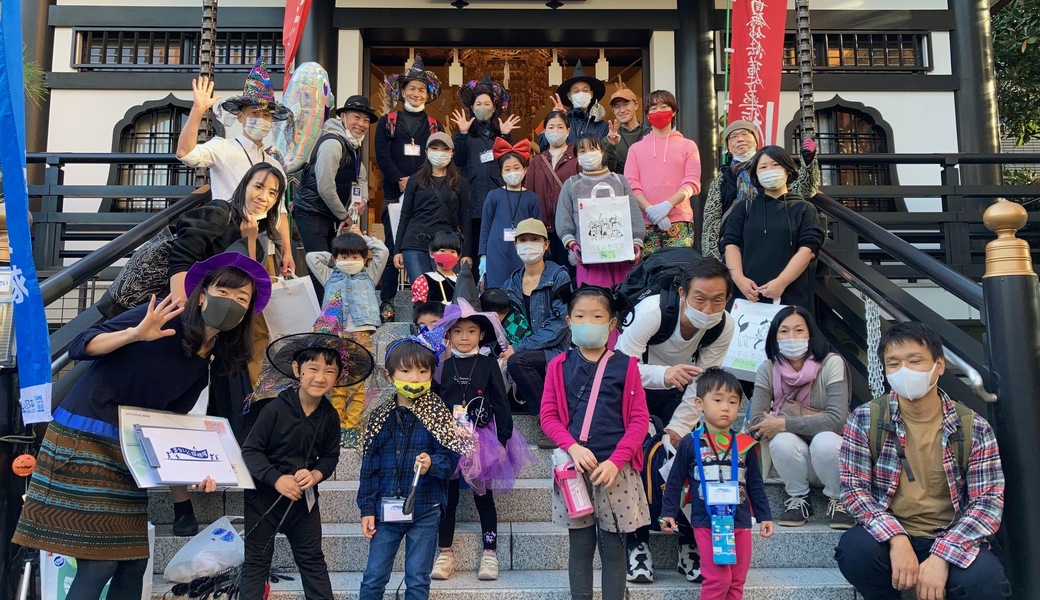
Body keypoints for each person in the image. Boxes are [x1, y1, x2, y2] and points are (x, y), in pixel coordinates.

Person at [13, 252, 271, 600]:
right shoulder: (164, 317)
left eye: (242, 299)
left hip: (130, 453)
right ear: (203, 292)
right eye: (224, 292)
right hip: (86, 438)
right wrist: (135, 333)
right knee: (99, 563)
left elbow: (172, 426)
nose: (232, 303)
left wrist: (198, 467)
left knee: (134, 561)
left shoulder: (210, 360)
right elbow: (80, 346)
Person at [835, 322, 1010, 600]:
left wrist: (942, 554)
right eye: (893, 363)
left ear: (939, 365)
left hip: (953, 534)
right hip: (892, 532)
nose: (903, 370)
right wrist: (896, 537)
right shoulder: (866, 418)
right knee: (855, 551)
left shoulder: (973, 427)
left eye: (915, 360)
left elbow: (986, 503)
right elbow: (854, 490)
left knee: (986, 583)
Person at [614, 256, 735, 584]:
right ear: (682, 293)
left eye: (717, 300)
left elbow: (704, 381)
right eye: (699, 298)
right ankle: (637, 543)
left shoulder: (725, 325)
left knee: (689, 461)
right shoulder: (652, 313)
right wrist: (664, 374)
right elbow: (621, 369)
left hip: (683, 393)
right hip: (637, 389)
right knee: (636, 459)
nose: (708, 309)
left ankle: (688, 544)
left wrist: (678, 429)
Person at [240, 333, 374, 600]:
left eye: (329, 371)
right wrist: (277, 479)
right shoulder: (274, 409)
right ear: (297, 370)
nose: (320, 377)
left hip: (304, 503)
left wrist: (315, 474)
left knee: (313, 560)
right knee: (256, 563)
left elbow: (330, 457)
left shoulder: (329, 417)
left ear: (337, 378)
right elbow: (251, 451)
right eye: (312, 369)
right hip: (263, 499)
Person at [540, 286, 651, 600]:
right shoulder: (558, 366)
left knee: (614, 548)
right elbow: (548, 416)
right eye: (580, 316)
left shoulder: (627, 366)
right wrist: (572, 447)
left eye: (597, 316)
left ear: (612, 323)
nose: (588, 321)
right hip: (573, 470)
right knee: (581, 546)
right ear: (569, 321)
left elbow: (639, 420)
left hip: (615, 470)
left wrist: (617, 461)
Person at [357, 329, 475, 600]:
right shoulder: (379, 417)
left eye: (423, 372)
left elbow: (450, 461)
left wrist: (432, 463)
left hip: (426, 508)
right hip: (386, 510)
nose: (415, 378)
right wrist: (366, 508)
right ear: (390, 375)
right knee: (374, 577)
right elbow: (369, 468)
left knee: (418, 580)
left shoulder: (439, 415)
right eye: (406, 372)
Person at [431, 301, 532, 581]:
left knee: (483, 496)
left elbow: (501, 402)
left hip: (482, 440)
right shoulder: (442, 367)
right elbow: (435, 402)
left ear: (481, 335)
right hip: (448, 439)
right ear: (448, 336)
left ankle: (490, 552)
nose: (465, 337)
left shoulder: (488, 364)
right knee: (446, 499)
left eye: (472, 331)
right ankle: (445, 552)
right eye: (458, 331)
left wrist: (502, 439)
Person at [660, 367, 775, 600]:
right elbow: (674, 482)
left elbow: (755, 485)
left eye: (733, 402)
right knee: (717, 579)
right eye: (718, 400)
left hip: (740, 520)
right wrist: (668, 513)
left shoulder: (745, 445)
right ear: (700, 404)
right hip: (706, 521)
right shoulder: (690, 443)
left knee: (736, 581)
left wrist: (765, 516)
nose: (726, 407)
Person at [175, 57, 294, 277]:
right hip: (227, 236)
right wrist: (198, 110)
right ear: (240, 117)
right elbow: (185, 153)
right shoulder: (223, 148)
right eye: (254, 113)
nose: (261, 119)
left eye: (266, 115)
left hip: (264, 240)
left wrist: (287, 251)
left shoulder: (274, 164)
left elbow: (281, 211)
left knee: (261, 303)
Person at [746, 306, 854, 529]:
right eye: (784, 331)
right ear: (774, 337)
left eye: (799, 330)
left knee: (826, 440)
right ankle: (799, 499)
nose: (791, 337)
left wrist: (782, 423)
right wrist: (783, 428)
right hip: (796, 461)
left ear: (810, 334)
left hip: (830, 458)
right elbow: (757, 421)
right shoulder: (767, 369)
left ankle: (839, 499)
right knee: (781, 441)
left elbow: (837, 420)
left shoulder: (832, 363)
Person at [375, 54, 445, 322]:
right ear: (402, 92)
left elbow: (435, 156)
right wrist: (400, 179)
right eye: (412, 89)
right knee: (394, 246)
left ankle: (431, 301)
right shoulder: (388, 121)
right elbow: (382, 155)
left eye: (422, 90)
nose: (417, 93)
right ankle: (388, 300)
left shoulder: (434, 125)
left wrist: (417, 181)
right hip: (395, 194)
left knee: (425, 245)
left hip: (425, 195)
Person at [304, 226, 389, 445]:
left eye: (354, 256)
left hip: (361, 333)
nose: (349, 260)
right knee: (337, 380)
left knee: (357, 381)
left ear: (363, 258)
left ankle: (353, 425)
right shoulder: (330, 274)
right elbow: (312, 257)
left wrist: (362, 238)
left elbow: (382, 251)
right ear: (336, 258)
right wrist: (335, 254)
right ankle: (338, 425)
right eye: (344, 256)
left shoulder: (369, 274)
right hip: (335, 333)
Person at [721, 145, 825, 310]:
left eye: (776, 165)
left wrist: (781, 282)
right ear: (756, 175)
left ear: (788, 170)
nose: (769, 170)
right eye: (763, 167)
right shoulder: (744, 208)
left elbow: (808, 249)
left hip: (791, 295)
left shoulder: (804, 209)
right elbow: (731, 244)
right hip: (747, 297)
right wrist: (739, 279)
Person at [293, 95, 378, 298]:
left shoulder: (352, 145)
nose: (362, 124)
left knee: (333, 263)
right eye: (356, 117)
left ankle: (333, 314)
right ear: (342, 116)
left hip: (328, 215)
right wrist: (344, 216)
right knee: (319, 265)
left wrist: (363, 199)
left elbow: (362, 176)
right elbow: (325, 187)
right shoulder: (333, 143)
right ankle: (323, 319)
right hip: (311, 212)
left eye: (366, 120)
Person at [700, 121, 820, 261]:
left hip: (772, 236)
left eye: (745, 134)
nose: (740, 139)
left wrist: (808, 162)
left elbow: (804, 190)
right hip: (732, 240)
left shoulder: (770, 170)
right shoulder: (723, 177)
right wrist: (713, 259)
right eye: (733, 136)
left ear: (756, 140)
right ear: (727, 146)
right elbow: (711, 217)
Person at [500, 218, 571, 445]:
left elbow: (560, 324)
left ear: (546, 244)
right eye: (523, 240)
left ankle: (549, 422)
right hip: (525, 352)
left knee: (518, 361)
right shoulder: (510, 283)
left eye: (534, 239)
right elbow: (503, 324)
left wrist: (518, 348)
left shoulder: (559, 276)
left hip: (556, 349)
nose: (528, 244)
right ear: (515, 244)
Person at [556, 134, 645, 289]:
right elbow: (563, 220)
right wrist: (574, 246)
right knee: (594, 303)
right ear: (576, 157)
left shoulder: (619, 181)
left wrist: (636, 243)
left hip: (621, 259)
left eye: (592, 148)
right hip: (588, 261)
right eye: (582, 151)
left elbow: (634, 215)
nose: (588, 154)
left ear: (602, 152)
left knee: (621, 303)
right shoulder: (571, 184)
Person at [624, 90, 701, 255]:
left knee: (677, 274)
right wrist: (651, 210)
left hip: (680, 221)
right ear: (646, 114)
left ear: (673, 111)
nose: (658, 111)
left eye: (664, 106)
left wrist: (667, 205)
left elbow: (692, 183)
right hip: (644, 223)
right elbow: (631, 184)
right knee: (648, 274)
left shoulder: (688, 145)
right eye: (653, 108)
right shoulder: (635, 149)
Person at [453, 75, 520, 263]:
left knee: (497, 246)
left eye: (487, 103)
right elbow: (457, 159)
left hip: (497, 198)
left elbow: (509, 161)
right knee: (471, 249)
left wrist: (506, 136)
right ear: (473, 107)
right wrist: (462, 134)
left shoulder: (501, 132)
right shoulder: (465, 132)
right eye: (479, 103)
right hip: (471, 199)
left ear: (494, 107)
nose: (483, 107)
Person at [394, 132, 472, 284]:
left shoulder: (461, 182)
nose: (439, 152)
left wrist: (466, 253)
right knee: (421, 294)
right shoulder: (415, 180)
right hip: (415, 243)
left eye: (444, 149)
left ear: (452, 152)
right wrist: (397, 250)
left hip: (447, 246)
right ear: (427, 151)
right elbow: (405, 215)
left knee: (448, 295)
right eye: (435, 148)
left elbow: (465, 218)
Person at [479, 139, 541, 288]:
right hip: (496, 252)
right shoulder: (493, 196)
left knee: (520, 289)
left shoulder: (532, 198)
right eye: (507, 169)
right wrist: (483, 255)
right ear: (501, 172)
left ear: (525, 170)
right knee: (496, 292)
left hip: (523, 252)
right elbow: (485, 226)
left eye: (516, 167)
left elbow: (538, 229)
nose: (512, 172)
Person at [526, 111, 579, 267]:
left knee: (570, 273)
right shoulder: (537, 161)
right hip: (543, 229)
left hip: (571, 229)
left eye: (560, 127)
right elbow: (530, 194)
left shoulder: (577, 158)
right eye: (551, 127)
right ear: (544, 131)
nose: (555, 131)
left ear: (568, 131)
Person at [544, 61, 610, 148]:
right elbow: (543, 146)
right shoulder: (563, 123)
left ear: (591, 94)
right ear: (569, 96)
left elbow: (607, 157)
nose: (581, 94)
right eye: (576, 91)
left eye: (585, 90)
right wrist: (555, 119)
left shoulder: (603, 126)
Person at [602, 85, 651, 175]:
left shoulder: (650, 134)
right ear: (613, 111)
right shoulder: (608, 140)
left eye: (625, 104)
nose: (622, 110)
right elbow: (606, 172)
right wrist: (612, 146)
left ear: (636, 105)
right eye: (617, 107)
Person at [410, 231, 463, 306]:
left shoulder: (462, 281)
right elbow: (419, 310)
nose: (447, 255)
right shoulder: (424, 280)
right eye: (442, 251)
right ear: (432, 254)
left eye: (452, 251)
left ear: (458, 256)